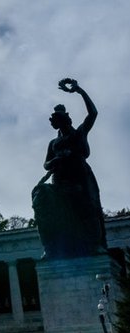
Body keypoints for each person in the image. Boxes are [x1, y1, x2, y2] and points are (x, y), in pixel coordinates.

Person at [33, 78, 106, 258]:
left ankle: (95, 245)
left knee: (86, 209)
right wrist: (55, 160)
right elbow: (46, 164)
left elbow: (93, 113)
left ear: (66, 120)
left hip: (80, 178)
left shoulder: (79, 133)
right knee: (43, 200)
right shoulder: (54, 143)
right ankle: (50, 247)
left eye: (56, 121)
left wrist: (79, 91)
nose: (53, 124)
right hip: (59, 181)